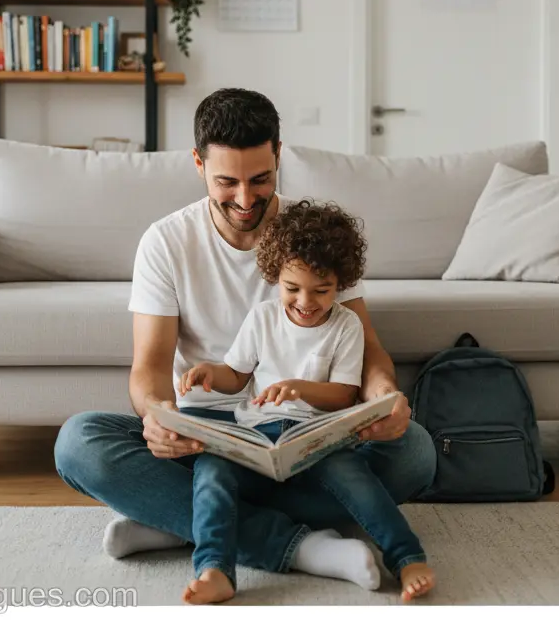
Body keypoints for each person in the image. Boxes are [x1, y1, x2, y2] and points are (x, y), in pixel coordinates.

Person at [53, 87, 436, 589]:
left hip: (306, 442)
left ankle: (184, 523)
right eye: (226, 182)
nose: (245, 199)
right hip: (209, 438)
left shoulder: (315, 238)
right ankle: (305, 547)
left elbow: (367, 350)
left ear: (279, 154)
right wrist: (157, 420)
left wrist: (385, 399)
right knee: (78, 443)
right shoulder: (167, 242)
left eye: (260, 180)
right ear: (197, 163)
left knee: (416, 452)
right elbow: (149, 368)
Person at [178, 200, 434, 604]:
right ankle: (215, 568)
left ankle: (407, 557)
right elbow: (236, 376)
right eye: (292, 288)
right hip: (255, 435)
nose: (305, 302)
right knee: (211, 469)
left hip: (318, 439)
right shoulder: (262, 317)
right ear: (275, 276)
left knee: (356, 478)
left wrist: (299, 388)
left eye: (322, 290)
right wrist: (211, 372)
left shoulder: (345, 326)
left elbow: (343, 396)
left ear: (341, 283)